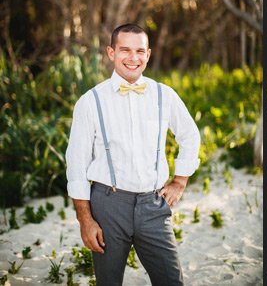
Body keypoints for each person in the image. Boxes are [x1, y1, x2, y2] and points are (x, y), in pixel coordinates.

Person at [65, 23, 201, 285]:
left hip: (153, 205)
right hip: (108, 205)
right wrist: (85, 219)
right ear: (111, 52)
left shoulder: (164, 95)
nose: (133, 57)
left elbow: (190, 136)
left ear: (148, 54)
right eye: (125, 50)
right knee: (109, 282)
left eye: (140, 50)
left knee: (171, 280)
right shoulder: (90, 101)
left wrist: (180, 181)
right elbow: (77, 164)